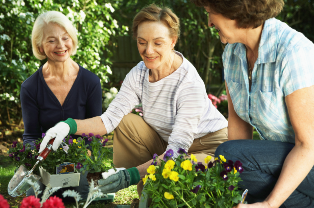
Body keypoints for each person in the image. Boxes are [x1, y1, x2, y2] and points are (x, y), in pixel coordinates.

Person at [39, 4, 228, 196]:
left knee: (189, 174)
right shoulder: (139, 73)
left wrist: (129, 175)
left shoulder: (188, 83)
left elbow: (177, 150)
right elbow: (109, 120)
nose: (148, 50)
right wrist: (68, 126)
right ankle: (148, 190)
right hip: (169, 143)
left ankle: (149, 188)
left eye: (158, 43)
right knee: (126, 122)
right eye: (142, 42)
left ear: (173, 41)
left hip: (209, 147)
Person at [191, 0, 314, 207]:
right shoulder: (232, 54)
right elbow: (238, 134)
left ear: (234, 11)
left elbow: (308, 145)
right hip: (287, 162)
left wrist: (269, 204)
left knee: (229, 156)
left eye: (210, 12)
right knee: (230, 163)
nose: (209, 22)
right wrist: (231, 187)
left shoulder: (294, 52)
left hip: (308, 155)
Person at [21, 11, 102, 200]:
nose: (61, 45)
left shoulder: (90, 82)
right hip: (46, 165)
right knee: (34, 197)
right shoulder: (30, 87)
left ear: (72, 40)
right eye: (51, 40)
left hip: (81, 164)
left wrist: (82, 160)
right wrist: (44, 162)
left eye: (65, 38)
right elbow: (31, 137)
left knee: (79, 195)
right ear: (40, 46)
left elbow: (96, 132)